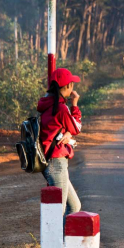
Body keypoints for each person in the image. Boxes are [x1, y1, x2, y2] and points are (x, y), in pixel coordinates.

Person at [38, 68, 83, 224]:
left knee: (74, 205)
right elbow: (76, 128)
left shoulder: (47, 104)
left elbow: (59, 129)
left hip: (52, 162)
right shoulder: (62, 108)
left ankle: (65, 243)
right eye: (72, 84)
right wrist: (75, 105)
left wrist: (67, 133)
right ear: (68, 86)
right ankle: (57, 246)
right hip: (56, 163)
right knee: (59, 210)